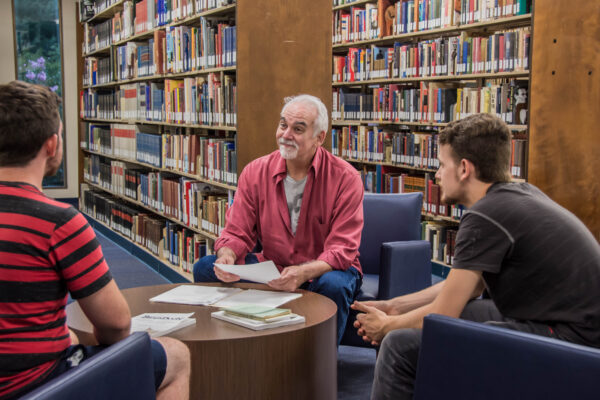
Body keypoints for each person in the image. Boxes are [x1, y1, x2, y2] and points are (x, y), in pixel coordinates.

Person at [351, 113, 600, 400]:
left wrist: (387, 326)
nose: (437, 175)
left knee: (397, 345)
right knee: (444, 320)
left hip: (573, 343)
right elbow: (467, 287)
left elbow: (443, 312)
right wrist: (397, 306)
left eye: (442, 165)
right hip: (568, 326)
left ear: (465, 169)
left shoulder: (485, 215)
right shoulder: (516, 195)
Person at [0, 81, 191, 400]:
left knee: (72, 338)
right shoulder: (57, 222)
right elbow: (116, 325)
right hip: (34, 386)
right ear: (51, 145)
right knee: (175, 355)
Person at [193, 94, 364, 344]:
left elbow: (342, 249)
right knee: (206, 268)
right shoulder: (255, 172)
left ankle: (319, 366)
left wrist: (304, 272)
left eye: (298, 129)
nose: (286, 135)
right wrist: (227, 255)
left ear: (320, 137)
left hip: (326, 269)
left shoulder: (345, 178)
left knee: (334, 286)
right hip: (276, 266)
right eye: (283, 125)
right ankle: (236, 349)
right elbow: (237, 231)